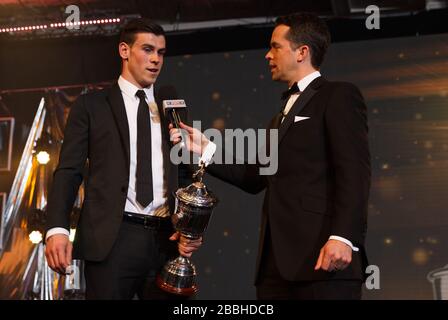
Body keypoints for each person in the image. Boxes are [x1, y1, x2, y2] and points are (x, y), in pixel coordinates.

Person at [171, 12, 371, 299]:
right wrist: (207, 150)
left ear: (302, 52)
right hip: (275, 267)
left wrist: (343, 237)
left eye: (276, 46)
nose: (268, 55)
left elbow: (355, 173)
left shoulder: (338, 95)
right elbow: (255, 176)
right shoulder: (279, 119)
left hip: (324, 260)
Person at [44, 18, 202, 300]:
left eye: (161, 53)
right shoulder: (92, 105)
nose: (155, 59)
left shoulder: (172, 107)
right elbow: (69, 170)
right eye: (147, 49)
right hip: (112, 238)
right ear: (124, 50)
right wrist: (57, 228)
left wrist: (190, 227)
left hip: (165, 240)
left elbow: (183, 174)